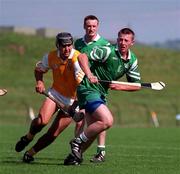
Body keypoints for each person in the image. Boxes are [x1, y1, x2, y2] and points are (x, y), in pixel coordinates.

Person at [64, 28, 141, 165]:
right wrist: (89, 74)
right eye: (120, 39)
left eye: (126, 40)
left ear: (132, 43)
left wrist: (120, 86)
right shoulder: (107, 50)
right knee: (107, 121)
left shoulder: (132, 60)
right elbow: (82, 57)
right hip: (88, 88)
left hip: (101, 93)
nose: (122, 43)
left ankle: (74, 157)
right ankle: (77, 142)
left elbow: (136, 85)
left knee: (93, 129)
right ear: (117, 39)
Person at [15, 32, 85, 163]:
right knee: (42, 121)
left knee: (53, 133)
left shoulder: (77, 59)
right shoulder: (50, 56)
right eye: (64, 46)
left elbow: (82, 87)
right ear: (58, 45)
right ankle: (28, 137)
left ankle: (30, 153)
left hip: (72, 100)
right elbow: (39, 70)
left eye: (69, 45)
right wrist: (39, 82)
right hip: (55, 94)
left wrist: (74, 106)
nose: (67, 49)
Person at [74, 15, 111, 163]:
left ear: (98, 27)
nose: (91, 28)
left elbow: (108, 67)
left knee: (99, 121)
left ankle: (100, 150)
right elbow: (74, 63)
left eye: (94, 26)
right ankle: (77, 151)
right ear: (84, 26)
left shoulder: (104, 44)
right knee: (81, 121)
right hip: (82, 87)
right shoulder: (78, 43)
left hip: (97, 88)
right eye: (88, 26)